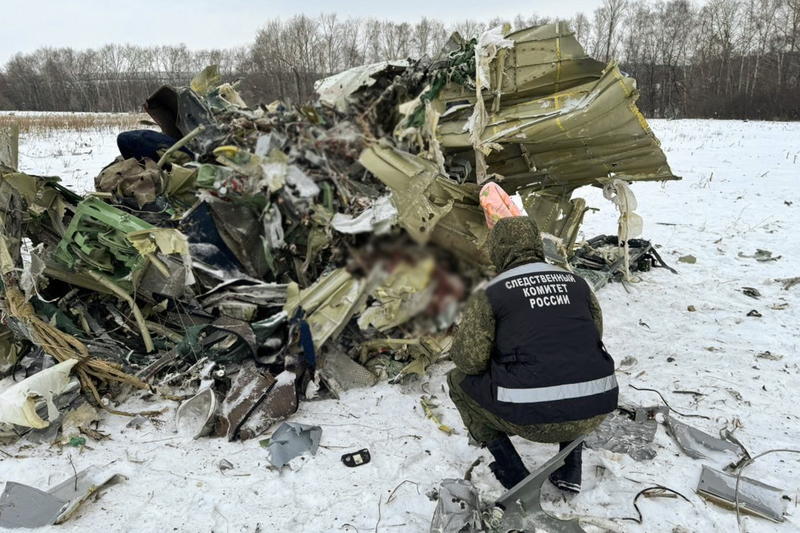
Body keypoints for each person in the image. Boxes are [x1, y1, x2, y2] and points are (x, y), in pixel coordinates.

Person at [447, 216, 618, 493]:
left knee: (457, 381)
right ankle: (571, 468)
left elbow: (470, 361)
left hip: (532, 420)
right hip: (596, 408)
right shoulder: (577, 283)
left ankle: (514, 474)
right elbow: (593, 335)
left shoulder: (492, 293)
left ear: (498, 248)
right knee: (571, 365)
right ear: (536, 245)